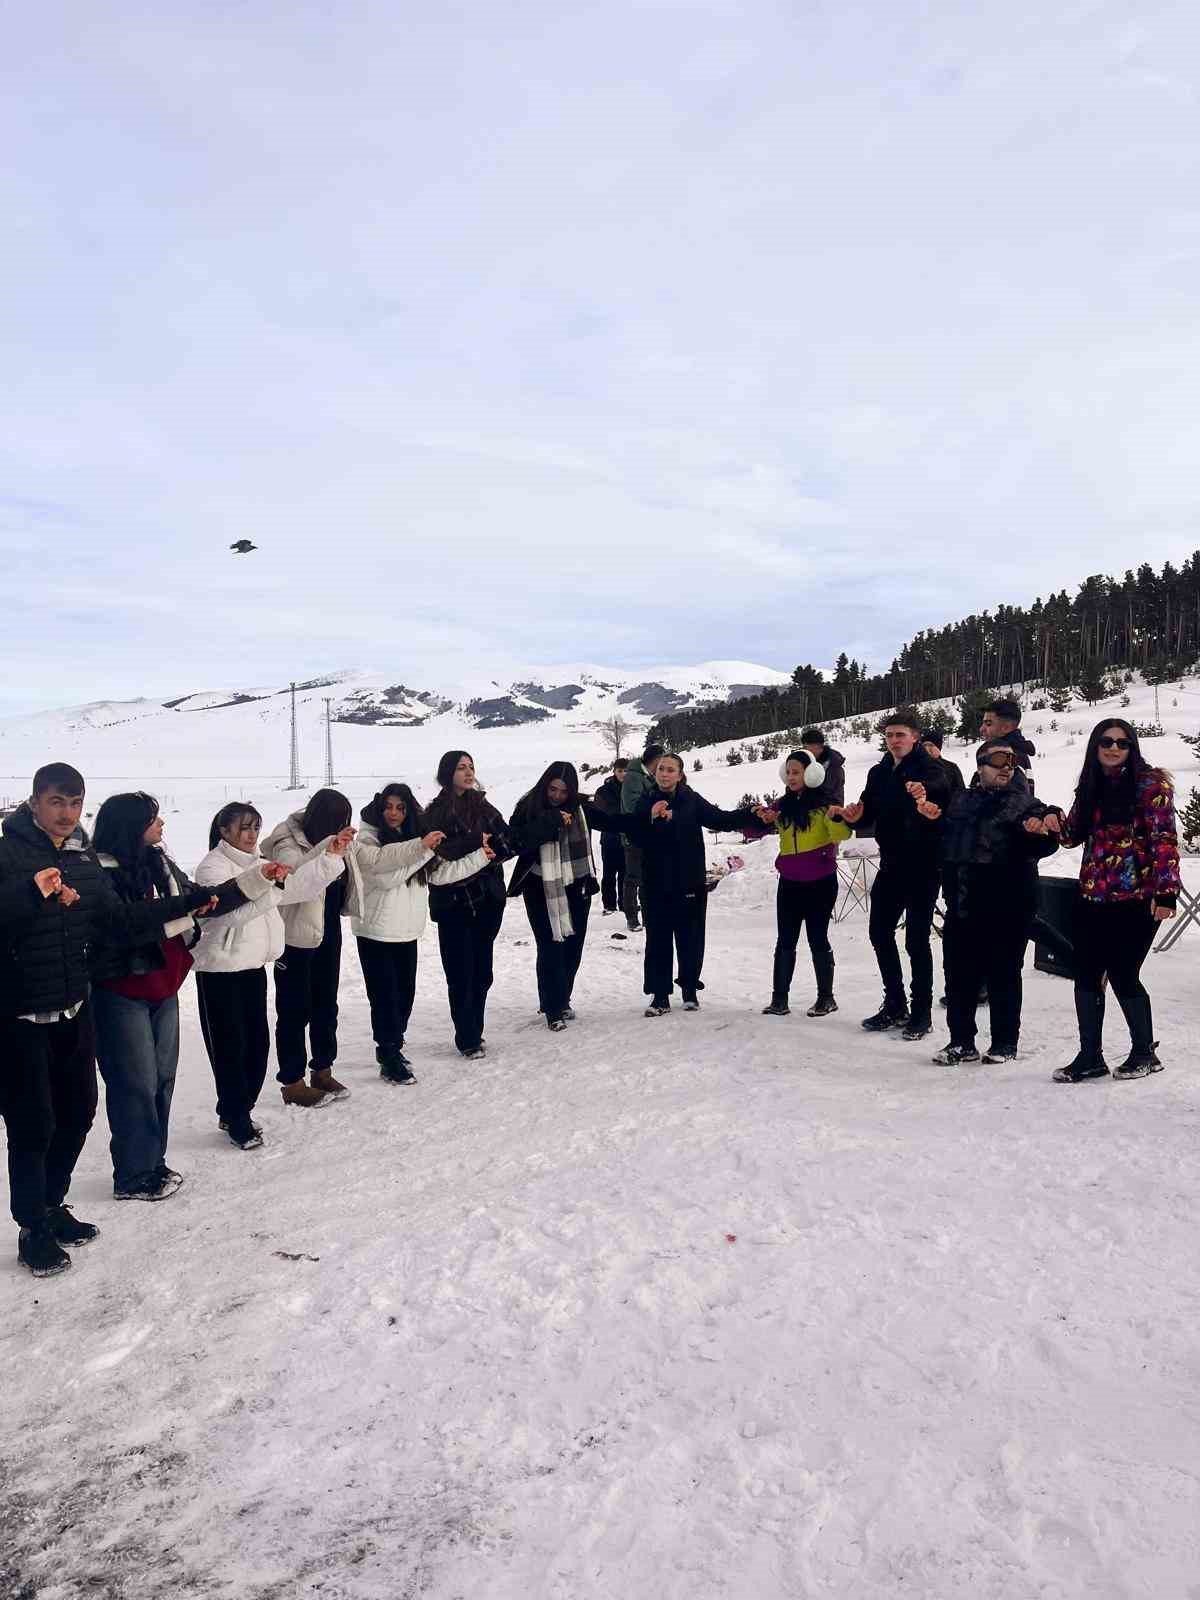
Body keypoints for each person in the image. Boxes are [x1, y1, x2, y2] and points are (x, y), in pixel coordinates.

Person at [0, 763, 216, 1278]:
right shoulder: (7, 853)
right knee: (34, 1123)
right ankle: (32, 1226)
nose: (65, 813)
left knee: (77, 1112)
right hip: (19, 1013)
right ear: (34, 802)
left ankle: (53, 1205)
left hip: (75, 1005)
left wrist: (185, 904)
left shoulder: (81, 857)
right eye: (56, 802)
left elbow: (115, 919)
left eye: (75, 803)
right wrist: (33, 891)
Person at [91, 791, 284, 1200]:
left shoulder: (159, 862)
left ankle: (152, 1162)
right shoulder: (99, 871)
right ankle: (132, 1173)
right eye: (153, 819)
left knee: (161, 1078)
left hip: (163, 984)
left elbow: (203, 899)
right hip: (121, 989)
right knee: (135, 1082)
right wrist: (186, 908)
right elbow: (123, 924)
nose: (161, 826)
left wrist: (258, 880)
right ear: (130, 825)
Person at [193, 801, 350, 1144]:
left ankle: (237, 1108)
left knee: (256, 1048)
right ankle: (236, 1116)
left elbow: (298, 887)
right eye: (244, 827)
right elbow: (227, 915)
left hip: (252, 968)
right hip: (219, 971)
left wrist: (330, 858)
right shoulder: (212, 868)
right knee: (230, 1048)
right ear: (224, 831)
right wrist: (270, 886)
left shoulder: (259, 864)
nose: (251, 835)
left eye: (254, 828)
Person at [1033, 720, 1179, 1083]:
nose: (1114, 748)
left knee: (1123, 972)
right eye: (1106, 742)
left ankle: (1144, 1053)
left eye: (1123, 743)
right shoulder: (1092, 785)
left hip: (1139, 897)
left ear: (1133, 748)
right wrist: (1050, 817)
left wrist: (1166, 892)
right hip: (1093, 895)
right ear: (1095, 746)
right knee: (1085, 973)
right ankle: (1090, 1056)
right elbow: (1072, 836)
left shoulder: (1150, 784)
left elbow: (1164, 839)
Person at [916, 742, 1058, 1065]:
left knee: (1004, 975)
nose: (1006, 767)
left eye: (1011, 761)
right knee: (958, 975)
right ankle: (961, 1042)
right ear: (980, 765)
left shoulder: (1022, 803)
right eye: (998, 760)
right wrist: (931, 820)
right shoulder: (960, 801)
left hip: (1007, 907)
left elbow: (1041, 827)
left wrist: (1044, 828)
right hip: (962, 905)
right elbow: (943, 842)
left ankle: (1005, 1042)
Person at [348, 784, 485, 1083]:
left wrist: (481, 857)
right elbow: (385, 874)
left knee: (404, 997)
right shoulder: (367, 840)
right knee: (384, 997)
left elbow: (440, 874)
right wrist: (423, 850)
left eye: (400, 808)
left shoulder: (415, 841)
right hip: (375, 930)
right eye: (388, 807)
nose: (393, 813)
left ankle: (394, 1044)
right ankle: (388, 1053)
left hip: (407, 930)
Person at [832, 711, 950, 1040]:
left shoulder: (929, 766)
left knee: (915, 941)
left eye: (900, 734)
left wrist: (923, 789)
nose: (894, 740)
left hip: (924, 864)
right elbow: (867, 812)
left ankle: (922, 1013)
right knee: (879, 933)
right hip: (891, 864)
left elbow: (941, 786)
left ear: (914, 737)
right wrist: (852, 817)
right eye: (890, 735)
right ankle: (895, 1003)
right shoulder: (879, 771)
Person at [620, 753, 759, 1015]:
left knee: (690, 938)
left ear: (680, 775)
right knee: (658, 939)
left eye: (670, 770)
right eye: (661, 769)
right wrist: (651, 817)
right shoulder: (645, 801)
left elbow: (721, 819)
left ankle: (690, 991)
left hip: (689, 882)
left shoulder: (691, 800)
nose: (664, 774)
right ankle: (659, 996)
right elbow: (634, 834)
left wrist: (749, 813)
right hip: (654, 883)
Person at [262, 790, 359, 1106]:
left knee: (326, 1002)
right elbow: (294, 883)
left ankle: (322, 1068)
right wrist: (328, 852)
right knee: (293, 1008)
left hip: (328, 929)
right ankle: (292, 1081)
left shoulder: (337, 841)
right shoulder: (286, 841)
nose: (338, 827)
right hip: (295, 937)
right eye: (334, 821)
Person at [746, 750, 852, 1018]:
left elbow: (842, 834)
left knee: (818, 939)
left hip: (820, 882)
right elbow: (752, 832)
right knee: (785, 941)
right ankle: (779, 1000)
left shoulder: (825, 805)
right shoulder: (782, 807)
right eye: (789, 772)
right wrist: (757, 817)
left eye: (797, 772)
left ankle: (826, 999)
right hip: (790, 883)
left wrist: (838, 818)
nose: (792, 777)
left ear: (812, 774)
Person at [423, 752, 509, 1060]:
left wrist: (493, 849)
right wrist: (476, 843)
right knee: (460, 972)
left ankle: (476, 1028)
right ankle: (467, 1036)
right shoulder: (434, 813)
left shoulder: (484, 806)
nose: (468, 772)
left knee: (483, 971)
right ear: (447, 772)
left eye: (471, 766)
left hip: (488, 898)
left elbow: (506, 842)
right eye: (461, 767)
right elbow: (437, 858)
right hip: (454, 903)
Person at [508, 763, 601, 1030]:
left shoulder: (582, 808)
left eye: (563, 791)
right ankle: (552, 1008)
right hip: (540, 885)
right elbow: (515, 840)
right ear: (544, 784)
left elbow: (615, 821)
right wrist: (550, 821)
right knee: (551, 946)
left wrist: (649, 817)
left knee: (573, 946)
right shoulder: (528, 807)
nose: (557, 795)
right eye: (552, 789)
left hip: (578, 883)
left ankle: (562, 998)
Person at [620, 744, 664, 932]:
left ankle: (649, 916)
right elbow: (632, 806)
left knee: (648, 878)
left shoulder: (648, 776)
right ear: (654, 760)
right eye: (660, 762)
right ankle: (631, 918)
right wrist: (655, 806)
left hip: (649, 836)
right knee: (633, 878)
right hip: (634, 836)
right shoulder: (633, 777)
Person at [593, 758, 628, 914]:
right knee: (609, 874)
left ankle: (624, 904)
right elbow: (602, 812)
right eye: (620, 771)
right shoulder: (603, 790)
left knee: (625, 875)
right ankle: (609, 905)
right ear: (614, 771)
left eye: (626, 770)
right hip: (609, 839)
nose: (623, 774)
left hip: (627, 838)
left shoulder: (632, 789)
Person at [979, 699, 1036, 778]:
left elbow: (999, 789)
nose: (981, 729)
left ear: (1006, 727)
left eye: (988, 724)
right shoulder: (1002, 752)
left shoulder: (1010, 759)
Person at [802, 727, 846, 809]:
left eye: (807, 746)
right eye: (804, 747)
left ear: (819, 746)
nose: (805, 750)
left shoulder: (833, 767)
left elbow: (835, 799)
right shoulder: (806, 762)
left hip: (828, 814)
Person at [920, 729, 966, 799]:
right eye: (924, 745)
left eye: (931, 745)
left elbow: (961, 795)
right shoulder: (915, 766)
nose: (926, 749)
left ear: (939, 748)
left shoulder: (951, 768)